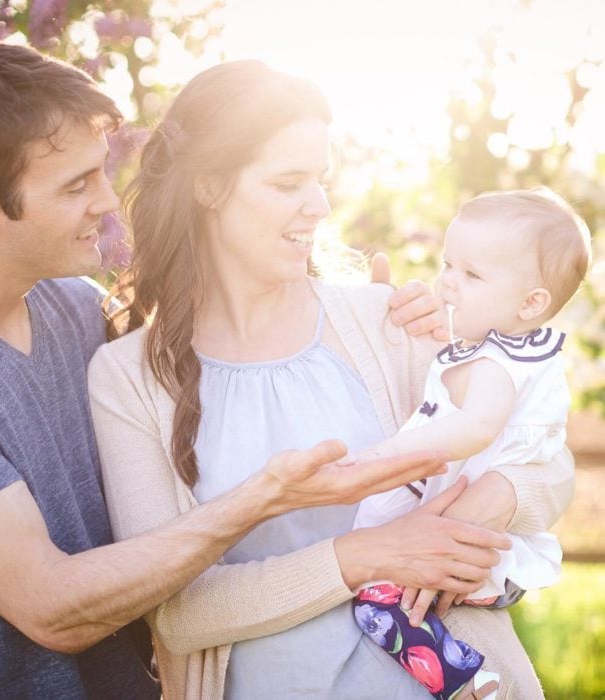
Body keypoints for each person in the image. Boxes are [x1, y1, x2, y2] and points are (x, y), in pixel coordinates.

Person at [0, 40, 494, 697]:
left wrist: (394, 316)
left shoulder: (75, 311)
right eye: (75, 186)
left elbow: (217, 331)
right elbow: (52, 606)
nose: (106, 201)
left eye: (100, 171)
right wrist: (267, 498)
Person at [88, 59, 575, 699]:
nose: (320, 205)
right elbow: (180, 615)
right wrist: (366, 557)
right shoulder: (128, 377)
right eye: (290, 181)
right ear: (208, 187)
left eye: (321, 179)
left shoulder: (388, 322)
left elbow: (547, 463)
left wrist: (496, 498)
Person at [350, 189, 591, 700]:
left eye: (471, 275)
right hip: (486, 542)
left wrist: (381, 456)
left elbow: (477, 427)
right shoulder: (511, 352)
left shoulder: (496, 364)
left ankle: (466, 681)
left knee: (376, 605)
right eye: (448, 265)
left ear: (531, 302)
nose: (447, 283)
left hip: (480, 549)